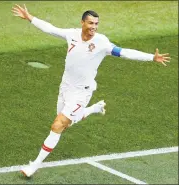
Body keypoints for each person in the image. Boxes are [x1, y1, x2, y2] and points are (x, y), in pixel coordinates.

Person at [12, 4, 170, 177]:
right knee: (66, 124)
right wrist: (30, 18)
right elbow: (50, 29)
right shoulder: (71, 35)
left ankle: (34, 165)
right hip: (65, 87)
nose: (94, 27)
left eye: (96, 24)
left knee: (58, 125)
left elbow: (124, 52)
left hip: (82, 92)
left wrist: (151, 57)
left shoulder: (101, 42)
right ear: (82, 23)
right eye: (90, 23)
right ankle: (95, 109)